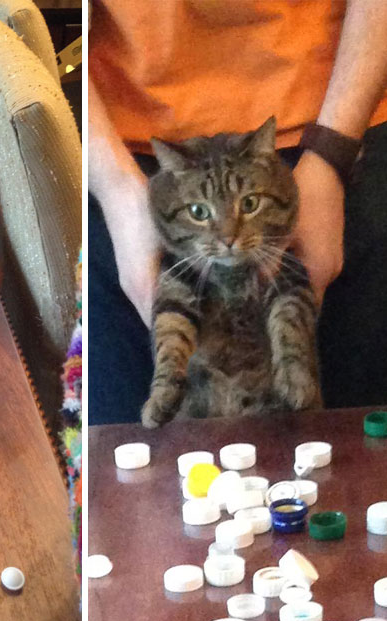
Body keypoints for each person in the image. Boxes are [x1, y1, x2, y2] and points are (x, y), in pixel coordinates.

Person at [88, 0, 387, 425]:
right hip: (128, 154)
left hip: (339, 114)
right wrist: (115, 187)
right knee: (132, 470)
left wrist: (333, 154)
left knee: (351, 468)